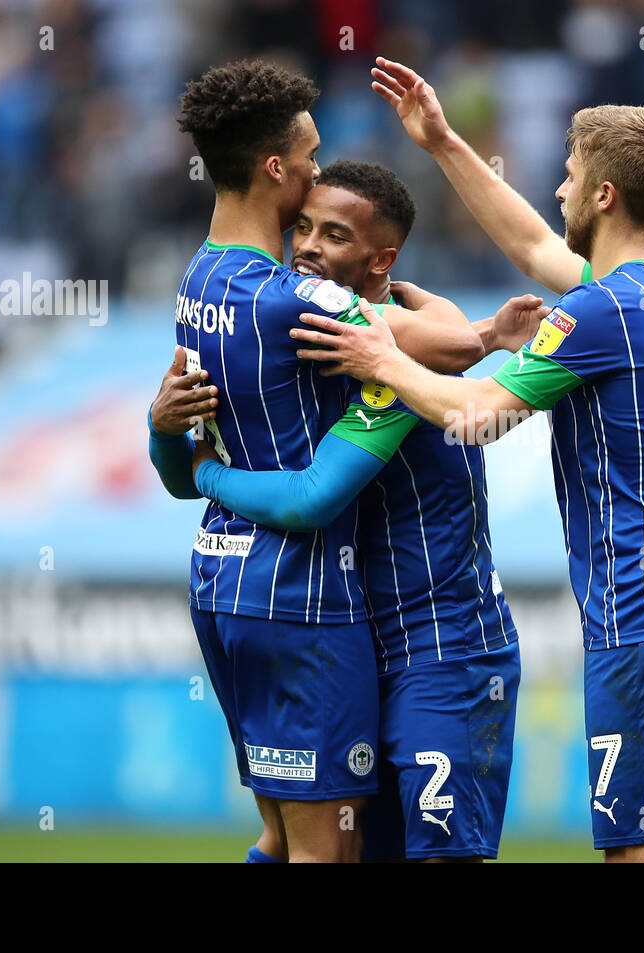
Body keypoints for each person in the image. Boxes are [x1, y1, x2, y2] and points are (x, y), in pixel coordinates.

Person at [290, 58, 644, 863]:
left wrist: (382, 358)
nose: (560, 192)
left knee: (641, 854)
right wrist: (443, 143)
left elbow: (476, 416)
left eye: (572, 178)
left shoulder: (598, 313)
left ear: (606, 194)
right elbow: (534, 243)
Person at [152, 159, 545, 860]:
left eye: (333, 234)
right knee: (320, 840)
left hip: (444, 648)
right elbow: (449, 329)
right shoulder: (321, 347)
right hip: (362, 645)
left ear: (378, 260)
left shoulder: (388, 364)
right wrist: (164, 427)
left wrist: (207, 472)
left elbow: (309, 497)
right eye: (301, 225)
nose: (305, 246)